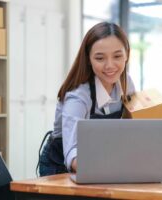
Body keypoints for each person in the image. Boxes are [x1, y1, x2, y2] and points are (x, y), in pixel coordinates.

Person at [38, 22, 135, 176]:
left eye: (117, 56)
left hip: (99, 159)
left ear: (127, 55)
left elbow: (133, 126)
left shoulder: (125, 83)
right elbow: (72, 153)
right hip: (59, 166)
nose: (110, 66)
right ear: (89, 59)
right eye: (100, 58)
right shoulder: (78, 96)